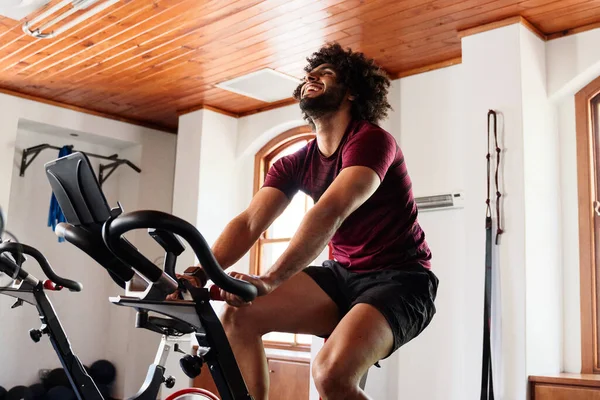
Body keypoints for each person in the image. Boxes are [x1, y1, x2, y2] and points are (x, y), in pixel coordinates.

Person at [174, 42, 439, 400]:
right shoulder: (295, 162)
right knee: (239, 317)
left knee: (330, 375)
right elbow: (250, 222)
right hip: (341, 275)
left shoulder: (372, 141)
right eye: (309, 75)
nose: (311, 77)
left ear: (351, 93)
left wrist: (270, 278)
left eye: (326, 74)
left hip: (402, 280)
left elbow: (331, 210)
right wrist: (199, 273)